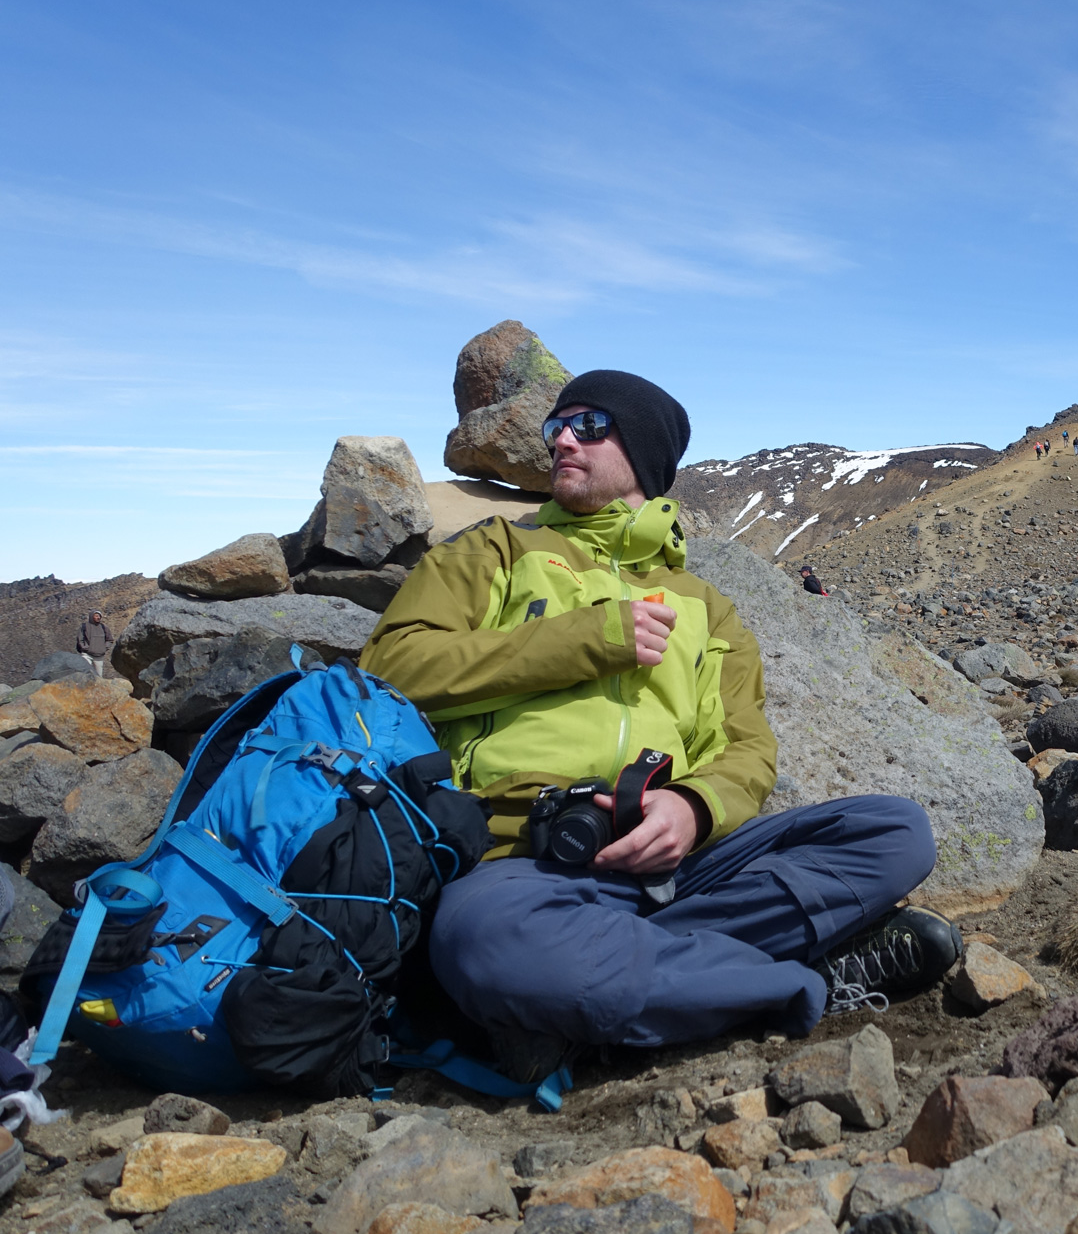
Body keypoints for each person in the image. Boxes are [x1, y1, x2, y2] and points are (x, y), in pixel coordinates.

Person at [360, 369, 957, 1081]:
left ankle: (632, 974)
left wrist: (694, 808)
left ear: (643, 455)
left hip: (682, 866)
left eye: (589, 425)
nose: (562, 442)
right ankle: (806, 983)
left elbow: (746, 747)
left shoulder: (705, 607)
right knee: (485, 947)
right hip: (521, 860)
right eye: (556, 427)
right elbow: (390, 668)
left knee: (893, 832)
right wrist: (587, 638)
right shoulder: (492, 553)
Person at [75, 611, 112, 678]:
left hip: (99, 656)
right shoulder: (85, 626)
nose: (98, 617)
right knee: (85, 673)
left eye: (99, 616)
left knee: (99, 676)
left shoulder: (104, 627)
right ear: (92, 616)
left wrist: (104, 648)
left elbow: (109, 639)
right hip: (87, 654)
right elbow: (80, 639)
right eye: (96, 616)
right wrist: (85, 648)